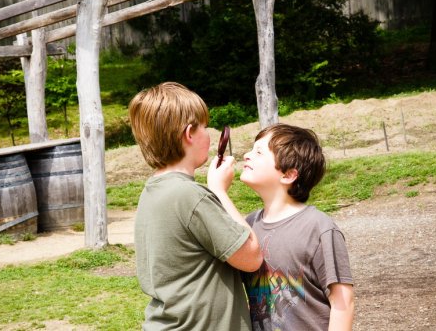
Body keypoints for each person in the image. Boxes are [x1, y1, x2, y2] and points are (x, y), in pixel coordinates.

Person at [128, 82, 263, 331]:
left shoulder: (152, 191)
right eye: (204, 126)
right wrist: (219, 190)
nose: (209, 134)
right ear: (190, 133)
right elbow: (251, 257)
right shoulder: (190, 196)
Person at [239, 123, 354, 331]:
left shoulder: (319, 228)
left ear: (288, 175)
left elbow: (343, 303)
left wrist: (218, 191)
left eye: (258, 152)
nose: (247, 155)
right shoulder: (250, 224)